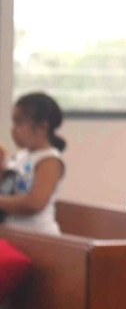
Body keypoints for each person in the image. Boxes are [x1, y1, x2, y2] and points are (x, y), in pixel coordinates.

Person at [0, 92, 66, 234]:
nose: (13, 129)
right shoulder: (20, 156)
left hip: (39, 238)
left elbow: (35, 203)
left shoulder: (49, 160)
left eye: (19, 123)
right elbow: (7, 189)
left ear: (42, 127)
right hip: (14, 234)